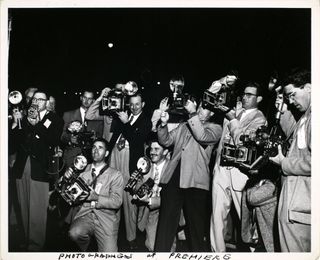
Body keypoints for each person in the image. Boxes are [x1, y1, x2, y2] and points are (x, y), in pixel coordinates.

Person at [154, 98, 222, 252]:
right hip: (173, 178)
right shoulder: (184, 125)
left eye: (204, 108)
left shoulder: (215, 128)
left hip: (195, 182)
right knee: (165, 224)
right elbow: (166, 141)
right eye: (199, 106)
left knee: (195, 228)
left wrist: (192, 113)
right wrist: (163, 124)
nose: (199, 108)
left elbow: (202, 137)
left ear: (211, 113)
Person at [210, 82, 267, 252]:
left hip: (240, 175)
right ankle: (217, 254)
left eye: (250, 95)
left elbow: (244, 142)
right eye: (244, 94)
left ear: (259, 99)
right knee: (216, 218)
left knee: (246, 222)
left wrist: (233, 119)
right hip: (221, 171)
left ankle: (254, 252)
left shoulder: (260, 119)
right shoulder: (233, 112)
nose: (245, 97)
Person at [11, 90, 63, 251]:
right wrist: (16, 124)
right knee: (23, 204)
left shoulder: (54, 119)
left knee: (37, 209)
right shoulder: (25, 115)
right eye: (35, 99)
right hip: (22, 166)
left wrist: (37, 125)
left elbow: (52, 141)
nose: (37, 102)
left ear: (47, 102)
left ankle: (35, 245)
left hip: (40, 168)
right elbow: (14, 143)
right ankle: (25, 239)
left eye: (41, 99)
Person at [269, 68, 311, 252]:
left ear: (308, 87)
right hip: (296, 206)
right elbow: (293, 139)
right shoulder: (306, 117)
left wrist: (283, 163)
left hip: (300, 208)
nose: (292, 101)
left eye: (293, 95)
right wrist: (284, 111)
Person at [108, 90, 152, 249]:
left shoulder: (146, 122)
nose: (134, 107)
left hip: (129, 159)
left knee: (128, 199)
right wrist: (108, 150)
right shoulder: (122, 116)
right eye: (131, 104)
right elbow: (115, 136)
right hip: (115, 155)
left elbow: (136, 141)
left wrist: (126, 123)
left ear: (143, 105)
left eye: (137, 104)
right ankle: (111, 232)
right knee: (112, 192)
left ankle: (131, 237)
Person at [68, 138, 124, 252]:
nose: (95, 150)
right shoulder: (83, 169)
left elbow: (117, 201)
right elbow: (70, 195)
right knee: (74, 233)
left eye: (100, 147)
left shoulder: (115, 174)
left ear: (107, 153)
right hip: (86, 214)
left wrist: (96, 197)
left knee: (110, 254)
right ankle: (87, 248)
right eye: (94, 147)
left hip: (106, 218)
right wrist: (67, 178)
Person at [133, 134, 170, 251]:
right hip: (150, 212)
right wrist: (136, 183)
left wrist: (149, 200)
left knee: (167, 246)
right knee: (151, 246)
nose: (152, 152)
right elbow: (137, 189)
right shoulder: (145, 166)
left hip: (168, 211)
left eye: (156, 149)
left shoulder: (173, 168)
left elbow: (172, 197)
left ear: (165, 152)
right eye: (151, 149)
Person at [61, 90, 103, 167]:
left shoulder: (99, 118)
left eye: (89, 99)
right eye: (85, 98)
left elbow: (101, 136)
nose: (86, 101)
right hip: (72, 156)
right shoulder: (68, 115)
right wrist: (70, 139)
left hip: (91, 157)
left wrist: (95, 137)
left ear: (93, 100)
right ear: (81, 98)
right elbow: (62, 136)